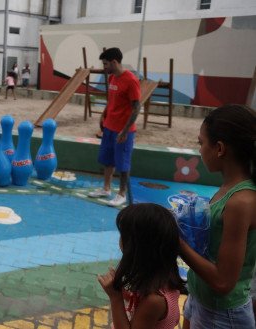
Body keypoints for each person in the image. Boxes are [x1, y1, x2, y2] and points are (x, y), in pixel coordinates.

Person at [180, 104, 256, 328]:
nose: (200, 149)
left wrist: (176, 242)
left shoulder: (240, 201)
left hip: (223, 315)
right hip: (201, 299)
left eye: (201, 143)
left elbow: (223, 282)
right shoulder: (229, 189)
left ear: (220, 148)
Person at [98, 203, 184, 329]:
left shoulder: (154, 300)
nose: (120, 239)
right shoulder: (162, 277)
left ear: (138, 246)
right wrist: (124, 293)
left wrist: (115, 297)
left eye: (124, 235)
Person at [87, 47, 140, 207]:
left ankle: (122, 194)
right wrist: (103, 116)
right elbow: (112, 100)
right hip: (109, 127)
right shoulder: (112, 79)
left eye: (105, 64)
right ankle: (106, 189)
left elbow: (136, 107)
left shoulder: (131, 80)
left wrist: (125, 131)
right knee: (108, 160)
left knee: (123, 163)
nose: (104, 67)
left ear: (114, 62)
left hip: (123, 131)